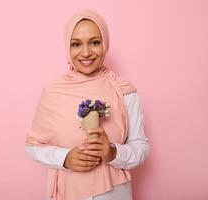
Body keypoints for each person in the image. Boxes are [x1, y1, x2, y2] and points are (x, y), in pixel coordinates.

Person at [25, 9, 149, 200]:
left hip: (114, 194)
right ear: (67, 46)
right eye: (76, 44)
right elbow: (33, 146)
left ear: (105, 43)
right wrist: (65, 158)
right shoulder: (53, 92)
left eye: (95, 42)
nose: (86, 52)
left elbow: (140, 147)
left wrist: (113, 152)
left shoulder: (124, 90)